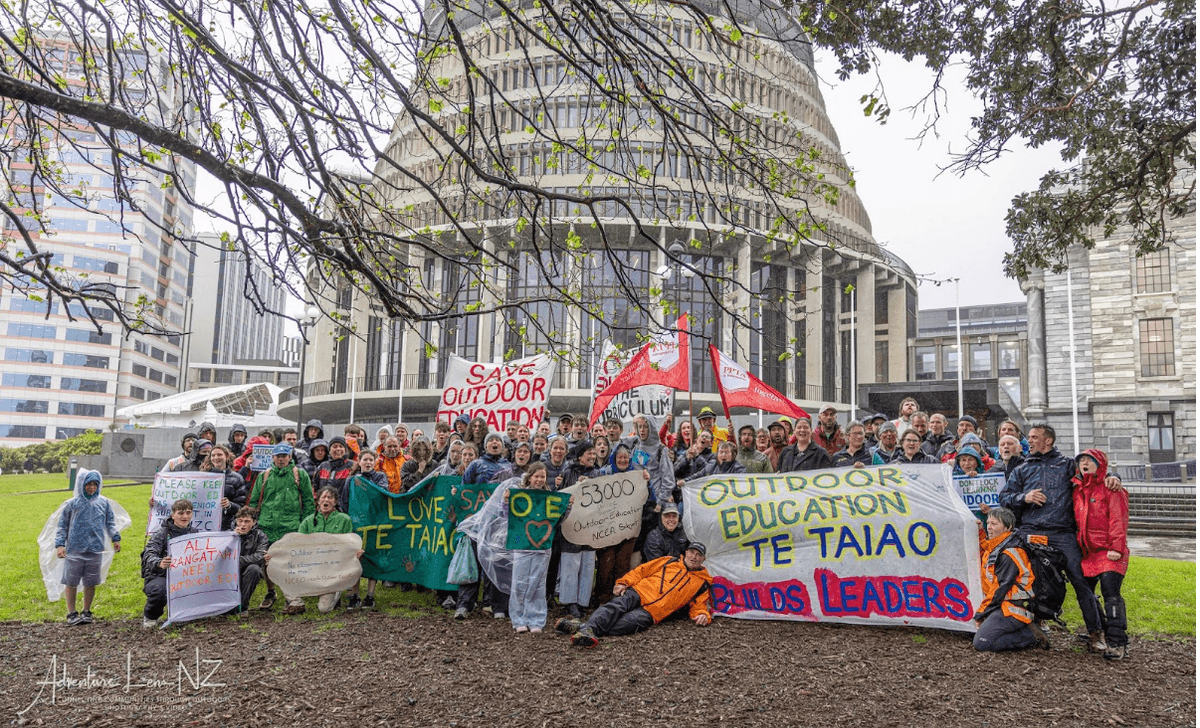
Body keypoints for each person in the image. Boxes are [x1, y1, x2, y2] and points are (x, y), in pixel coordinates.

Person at [998, 423, 1122, 653]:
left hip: (1062, 533)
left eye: (1034, 437)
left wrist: (1114, 476)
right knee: (1016, 574)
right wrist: (1024, 497)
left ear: (1048, 441)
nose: (1030, 441)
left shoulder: (1067, 465)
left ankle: (1096, 632)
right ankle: (1026, 625)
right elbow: (1003, 497)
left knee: (1081, 581)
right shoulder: (1022, 468)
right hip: (1029, 531)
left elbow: (1093, 472)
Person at [557, 542, 713, 647]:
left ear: (703, 559)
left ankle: (583, 628)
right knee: (614, 607)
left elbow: (699, 606)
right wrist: (624, 582)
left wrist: (702, 615)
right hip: (639, 592)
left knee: (626, 625)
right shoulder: (669, 561)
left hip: (653, 612)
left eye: (698, 555)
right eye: (692, 552)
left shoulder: (702, 583)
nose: (694, 557)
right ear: (686, 553)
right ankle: (588, 630)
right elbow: (642, 570)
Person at [1072, 449, 1130, 660]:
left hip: (1109, 551)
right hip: (1088, 552)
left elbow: (1118, 520)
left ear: (1100, 464)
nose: (1084, 464)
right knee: (1087, 593)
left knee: (1110, 593)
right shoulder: (1077, 489)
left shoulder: (1111, 489)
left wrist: (1116, 548)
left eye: (1089, 460)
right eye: (1082, 461)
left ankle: (1117, 642)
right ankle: (1102, 631)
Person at [247, 444, 315, 613]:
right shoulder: (264, 476)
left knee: (289, 564)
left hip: (290, 526)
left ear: (290, 457)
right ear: (273, 458)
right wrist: (253, 522)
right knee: (266, 562)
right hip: (266, 526)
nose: (281, 459)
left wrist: (305, 525)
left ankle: (290, 596)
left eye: (284, 456)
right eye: (278, 456)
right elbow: (254, 501)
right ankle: (271, 593)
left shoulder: (300, 475)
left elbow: (308, 501)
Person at [973, 506, 1047, 652]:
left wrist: (981, 614)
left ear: (1008, 527)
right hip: (1003, 606)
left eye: (994, 524)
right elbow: (986, 546)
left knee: (982, 643)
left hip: (1014, 607)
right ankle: (1025, 629)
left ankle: (1031, 636)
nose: (989, 527)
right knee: (982, 638)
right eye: (988, 523)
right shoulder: (998, 546)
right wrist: (981, 531)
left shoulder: (1009, 552)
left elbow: (999, 589)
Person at [54, 469, 122, 626]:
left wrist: (115, 537)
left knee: (90, 582)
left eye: (94, 484)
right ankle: (71, 613)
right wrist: (60, 545)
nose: (91, 487)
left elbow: (110, 522)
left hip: (95, 549)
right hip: (75, 549)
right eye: (88, 484)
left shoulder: (103, 503)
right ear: (81, 484)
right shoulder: (72, 504)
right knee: (71, 581)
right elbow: (62, 526)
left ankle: (86, 611)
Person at [507, 463, 562, 633]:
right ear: (529, 477)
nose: (539, 480)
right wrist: (506, 500)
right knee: (519, 581)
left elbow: (558, 520)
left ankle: (536, 619)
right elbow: (507, 516)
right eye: (536, 476)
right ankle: (518, 618)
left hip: (542, 545)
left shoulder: (550, 497)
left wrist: (567, 507)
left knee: (537, 583)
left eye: (542, 476)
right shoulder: (519, 495)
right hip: (522, 544)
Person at [140, 499, 198, 628]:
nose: (185, 516)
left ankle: (184, 612)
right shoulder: (161, 533)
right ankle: (150, 616)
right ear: (173, 515)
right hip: (159, 575)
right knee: (161, 590)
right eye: (181, 513)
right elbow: (148, 554)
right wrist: (159, 563)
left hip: (184, 575)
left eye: (188, 512)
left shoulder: (194, 533)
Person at [299, 486, 356, 613]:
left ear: (335, 502)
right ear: (318, 501)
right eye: (323, 497)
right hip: (313, 566)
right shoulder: (308, 521)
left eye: (330, 497)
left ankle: (336, 590)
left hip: (334, 569)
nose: (326, 500)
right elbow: (298, 544)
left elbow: (349, 543)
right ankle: (296, 601)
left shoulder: (344, 519)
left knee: (324, 609)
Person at [345, 454, 389, 609]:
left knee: (373, 557)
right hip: (357, 524)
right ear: (359, 462)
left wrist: (365, 483)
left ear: (375, 462)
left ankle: (370, 596)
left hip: (375, 524)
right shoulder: (350, 480)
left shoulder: (380, 477)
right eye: (365, 460)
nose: (368, 462)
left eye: (371, 460)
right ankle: (354, 594)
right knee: (356, 558)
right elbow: (345, 501)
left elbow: (382, 494)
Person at [231, 506, 269, 613]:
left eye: (247, 521)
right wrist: (234, 537)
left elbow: (259, 556)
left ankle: (243, 606)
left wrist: (239, 561)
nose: (243, 525)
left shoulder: (261, 536)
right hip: (229, 570)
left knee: (254, 569)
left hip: (247, 568)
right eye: (240, 521)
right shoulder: (228, 534)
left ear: (254, 522)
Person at [201, 445, 248, 530]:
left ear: (227, 457)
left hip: (227, 526)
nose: (216, 457)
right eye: (213, 455)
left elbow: (241, 506)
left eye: (219, 455)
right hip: (205, 524)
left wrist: (229, 505)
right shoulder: (203, 477)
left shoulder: (237, 478)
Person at [313, 436, 358, 509]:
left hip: (343, 509)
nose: (338, 449)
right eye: (335, 446)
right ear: (329, 450)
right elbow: (314, 485)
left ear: (345, 449)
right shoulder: (323, 466)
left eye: (341, 446)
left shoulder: (353, 466)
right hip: (323, 508)